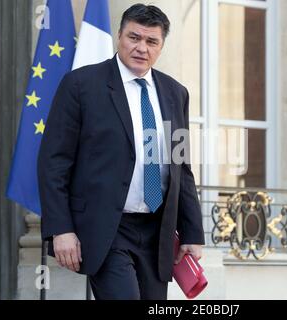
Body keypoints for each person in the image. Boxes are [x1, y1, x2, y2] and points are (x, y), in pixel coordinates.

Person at [37, 4, 204, 300]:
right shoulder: (81, 85)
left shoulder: (175, 93)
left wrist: (192, 233)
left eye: (151, 41)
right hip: (108, 230)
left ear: (161, 45)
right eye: (134, 37)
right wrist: (61, 229)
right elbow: (54, 162)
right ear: (119, 36)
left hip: (158, 234)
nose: (142, 48)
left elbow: (181, 168)